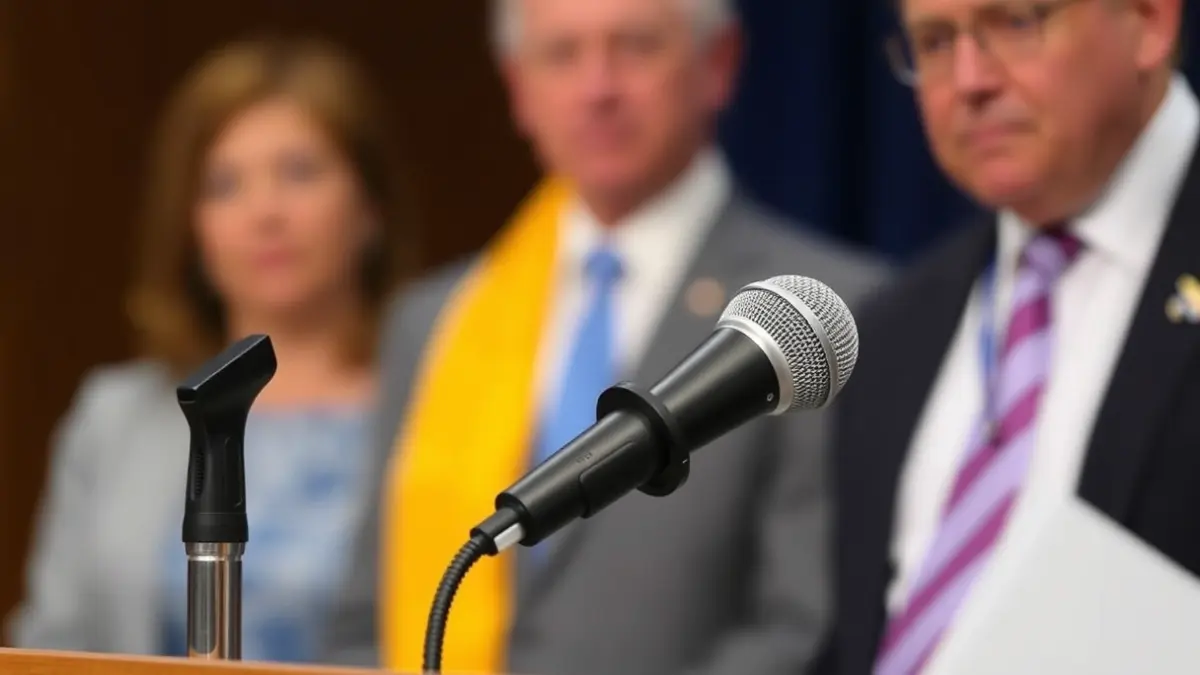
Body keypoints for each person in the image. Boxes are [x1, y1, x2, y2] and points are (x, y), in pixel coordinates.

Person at [322, 1, 887, 674]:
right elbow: (366, 623)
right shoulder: (435, 320)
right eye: (562, 54)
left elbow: (804, 623)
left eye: (637, 46)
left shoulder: (821, 314)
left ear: (719, 64)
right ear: (518, 89)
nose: (598, 88)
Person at [6, 36, 416, 662]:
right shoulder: (114, 417)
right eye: (225, 185)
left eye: (299, 172)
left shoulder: (442, 405)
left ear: (370, 205)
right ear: (193, 225)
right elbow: (52, 643)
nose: (265, 212)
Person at [813, 0, 1195, 673]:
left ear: (1149, 20)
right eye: (935, 42)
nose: (970, 81)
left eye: (1016, 23)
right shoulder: (892, 329)